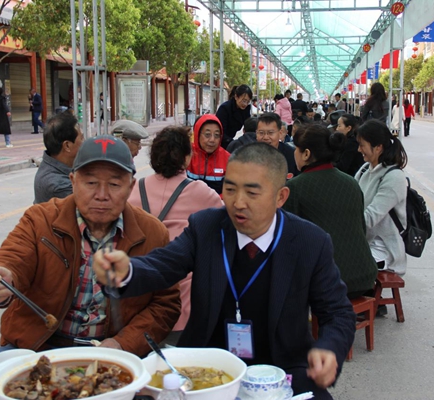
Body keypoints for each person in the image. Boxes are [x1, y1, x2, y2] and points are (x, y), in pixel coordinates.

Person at [92, 142, 356, 399]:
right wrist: (127, 271)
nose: (238, 202)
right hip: (206, 366)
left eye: (252, 193)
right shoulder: (206, 227)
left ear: (280, 197)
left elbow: (337, 312)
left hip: (283, 370)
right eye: (230, 189)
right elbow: (163, 264)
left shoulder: (310, 241)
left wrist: (329, 349)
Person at [0, 135, 181, 357]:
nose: (102, 195)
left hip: (112, 351)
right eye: (91, 183)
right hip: (36, 347)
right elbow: (10, 259)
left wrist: (123, 344)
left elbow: (165, 304)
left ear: (130, 187)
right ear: (73, 181)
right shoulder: (40, 220)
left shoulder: (152, 232)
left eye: (114, 184)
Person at [128, 126, 223, 345]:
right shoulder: (200, 191)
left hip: (140, 287)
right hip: (181, 296)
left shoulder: (135, 187)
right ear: (187, 157)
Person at [283, 124, 378, 299]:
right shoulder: (350, 182)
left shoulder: (295, 187)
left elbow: (287, 237)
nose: (294, 153)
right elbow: (361, 229)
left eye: (296, 149)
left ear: (306, 154)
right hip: (365, 274)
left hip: (329, 280)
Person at [355, 119, 408, 277]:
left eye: (362, 145)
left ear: (378, 147)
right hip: (363, 242)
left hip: (382, 249)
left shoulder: (394, 177)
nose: (359, 149)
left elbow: (370, 218)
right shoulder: (365, 169)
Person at [33, 112, 84, 204]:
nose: (84, 142)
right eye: (81, 138)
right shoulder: (59, 185)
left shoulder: (52, 164)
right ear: (67, 146)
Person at [187, 114, 230, 194]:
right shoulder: (186, 154)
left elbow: (230, 191)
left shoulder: (227, 159)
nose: (212, 140)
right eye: (207, 134)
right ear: (197, 134)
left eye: (217, 135)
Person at [256, 113, 299, 178]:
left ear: (280, 133)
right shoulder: (248, 155)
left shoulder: (292, 155)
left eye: (270, 133)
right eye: (261, 133)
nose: (265, 137)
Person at [216, 85, 253, 149]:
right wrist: (234, 143)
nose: (245, 104)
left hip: (230, 140)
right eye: (244, 101)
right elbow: (220, 131)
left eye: (248, 102)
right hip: (220, 142)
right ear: (236, 97)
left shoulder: (245, 110)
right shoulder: (225, 108)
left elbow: (249, 126)